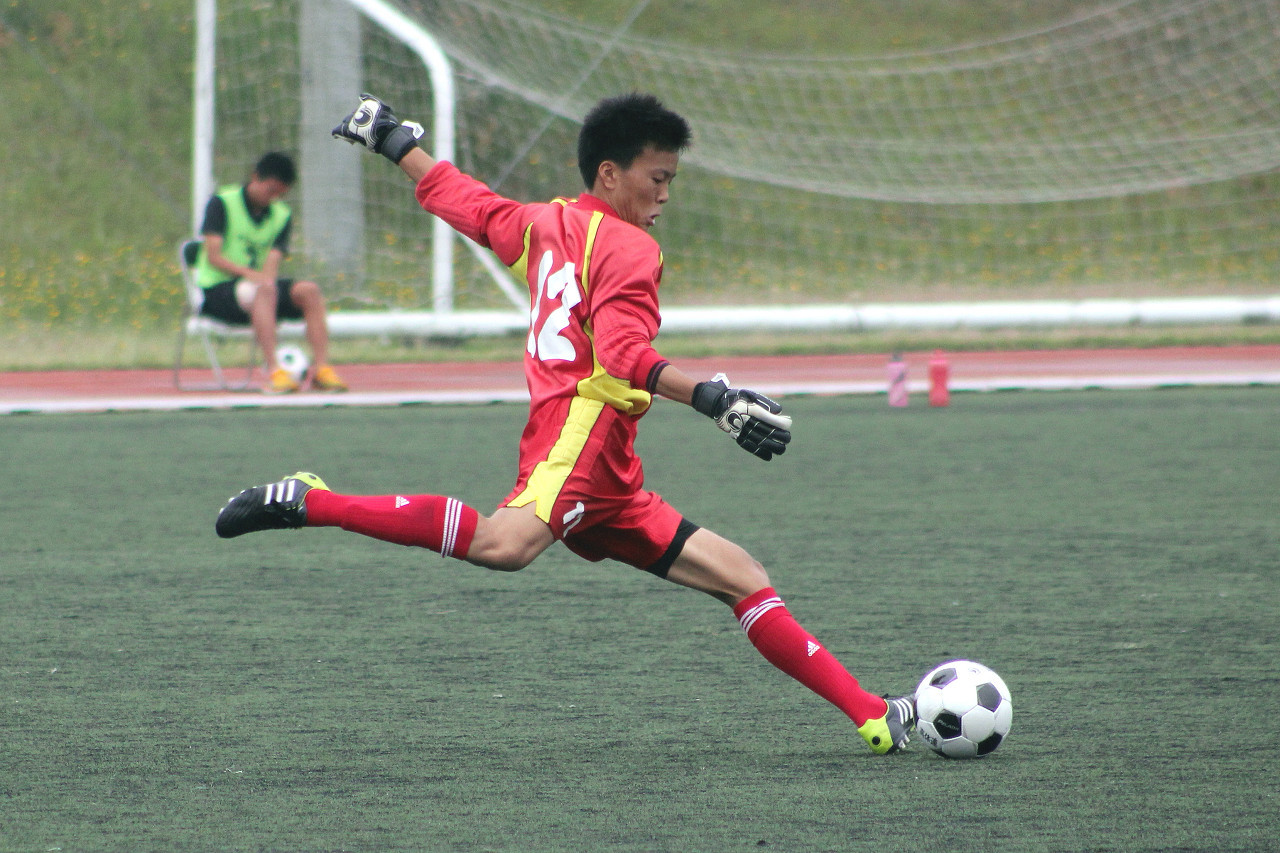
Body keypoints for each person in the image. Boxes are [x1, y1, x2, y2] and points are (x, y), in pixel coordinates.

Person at [216, 94, 915, 753]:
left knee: (742, 576)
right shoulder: (630, 249)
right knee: (503, 545)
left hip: (610, 469)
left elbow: (470, 204)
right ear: (611, 174)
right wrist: (712, 398)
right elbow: (621, 357)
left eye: (672, 179)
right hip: (580, 438)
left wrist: (395, 141)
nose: (665, 195)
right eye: (657, 178)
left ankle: (874, 716)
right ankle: (309, 501)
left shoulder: (547, 222)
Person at [195, 151, 348, 393]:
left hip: (259, 291)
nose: (273, 198)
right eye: (270, 190)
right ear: (255, 177)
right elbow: (214, 256)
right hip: (219, 291)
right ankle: (275, 371)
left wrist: (263, 280)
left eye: (280, 194)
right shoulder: (222, 203)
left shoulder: (281, 215)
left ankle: (322, 370)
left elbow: (272, 262)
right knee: (265, 289)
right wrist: (251, 276)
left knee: (308, 290)